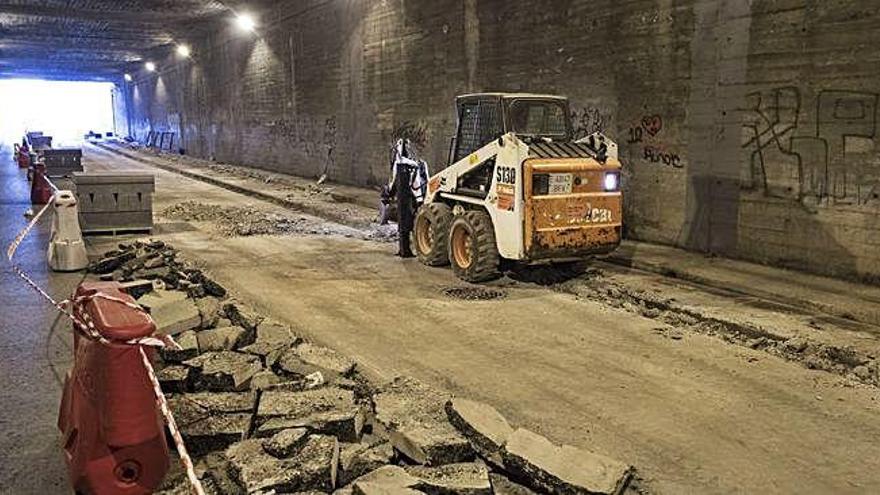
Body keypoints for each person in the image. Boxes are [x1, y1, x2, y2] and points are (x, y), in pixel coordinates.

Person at [388, 139, 429, 258]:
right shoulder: (416, 164)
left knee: (405, 224)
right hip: (413, 198)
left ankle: (405, 250)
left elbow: (395, 182)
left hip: (408, 198)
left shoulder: (403, 165)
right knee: (409, 224)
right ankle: (406, 249)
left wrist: (389, 193)